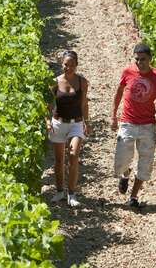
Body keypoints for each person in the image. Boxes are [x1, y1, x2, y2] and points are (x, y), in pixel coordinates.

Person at [111, 43, 156, 208]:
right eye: (137, 59)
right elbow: (119, 92)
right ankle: (125, 173)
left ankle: (134, 197)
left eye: (143, 59)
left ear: (150, 58)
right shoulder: (128, 72)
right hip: (127, 122)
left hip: (147, 126)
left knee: (145, 164)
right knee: (120, 161)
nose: (140, 63)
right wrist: (113, 115)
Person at [46, 50, 90, 207]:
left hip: (76, 123)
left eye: (72, 65)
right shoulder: (54, 82)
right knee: (59, 160)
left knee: (73, 155)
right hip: (58, 123)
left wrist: (86, 122)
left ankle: (72, 193)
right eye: (66, 64)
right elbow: (49, 105)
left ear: (76, 65)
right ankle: (59, 191)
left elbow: (84, 104)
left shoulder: (82, 82)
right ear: (61, 64)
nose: (68, 67)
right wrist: (47, 121)